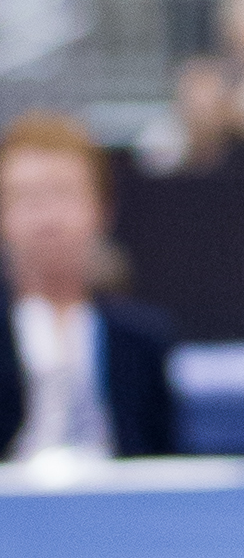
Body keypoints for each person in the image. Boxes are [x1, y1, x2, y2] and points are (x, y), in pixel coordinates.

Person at [0, 113, 177, 460]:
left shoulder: (143, 339)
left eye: (62, 195)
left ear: (101, 207)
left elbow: (163, 466)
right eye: (27, 198)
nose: (46, 218)